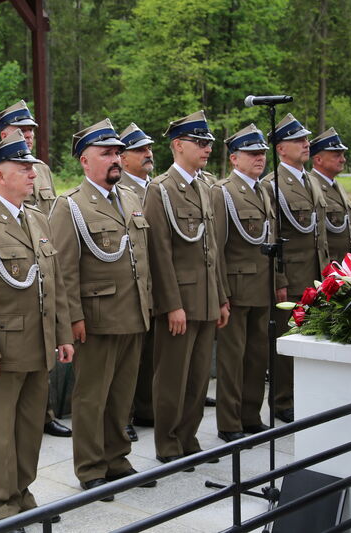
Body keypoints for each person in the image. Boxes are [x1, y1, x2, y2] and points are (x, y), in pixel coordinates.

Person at [0, 130, 74, 525]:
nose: (32, 174)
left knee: (28, 427)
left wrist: (63, 334)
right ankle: (0, 504)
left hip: (39, 344)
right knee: (1, 430)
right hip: (3, 348)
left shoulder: (37, 218)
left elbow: (53, 282)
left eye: (31, 168)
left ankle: (23, 492)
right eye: (23, 169)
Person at [50, 119, 156, 498]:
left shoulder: (130, 198)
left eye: (117, 152)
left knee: (122, 393)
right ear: (84, 161)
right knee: (91, 395)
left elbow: (141, 261)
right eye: (106, 153)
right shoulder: (71, 206)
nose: (116, 159)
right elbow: (62, 271)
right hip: (95, 319)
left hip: (133, 314)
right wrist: (73, 319)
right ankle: (91, 466)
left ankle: (117, 458)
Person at [0, 99, 70, 439]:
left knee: (36, 375)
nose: (29, 135)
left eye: (31, 130)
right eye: (22, 129)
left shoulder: (39, 168)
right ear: (4, 133)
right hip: (9, 274)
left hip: (37, 265)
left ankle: (44, 414)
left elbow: (49, 220)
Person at [144, 110, 229, 467]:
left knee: (197, 378)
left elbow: (214, 249)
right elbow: (159, 254)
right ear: (179, 145)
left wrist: (222, 297)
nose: (207, 148)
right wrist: (171, 304)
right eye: (200, 142)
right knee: (173, 377)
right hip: (181, 300)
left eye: (208, 142)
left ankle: (189, 437)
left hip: (207, 296)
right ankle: (168, 443)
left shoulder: (205, 187)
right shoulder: (160, 190)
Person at [211, 124, 273, 442]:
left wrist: (280, 281)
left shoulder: (264, 190)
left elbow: (273, 240)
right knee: (232, 360)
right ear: (235, 159)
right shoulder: (223, 192)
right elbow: (217, 247)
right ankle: (230, 423)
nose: (259, 158)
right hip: (236, 289)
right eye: (252, 153)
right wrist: (221, 293)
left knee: (257, 356)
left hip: (262, 287)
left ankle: (251, 416)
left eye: (261, 152)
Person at [265, 113, 328, 423]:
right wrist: (279, 277)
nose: (306, 144)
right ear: (280, 149)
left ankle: (305, 394)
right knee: (287, 340)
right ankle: (282, 400)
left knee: (311, 336)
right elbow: (272, 235)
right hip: (291, 274)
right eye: (298, 140)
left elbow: (320, 233)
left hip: (316, 273)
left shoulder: (310, 180)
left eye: (306, 139)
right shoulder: (273, 184)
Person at [118, 122, 157, 442]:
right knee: (130, 356)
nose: (148, 154)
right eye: (140, 150)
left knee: (151, 352)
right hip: (126, 288)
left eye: (149, 149)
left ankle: (146, 406)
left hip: (152, 283)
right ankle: (125, 414)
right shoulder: (123, 192)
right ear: (123, 158)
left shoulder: (153, 188)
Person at [309, 128, 351, 261]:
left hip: (343, 263)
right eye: (337, 155)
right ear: (318, 159)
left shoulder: (336, 185)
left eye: (343, 155)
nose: (343, 160)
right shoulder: (311, 186)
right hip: (326, 265)